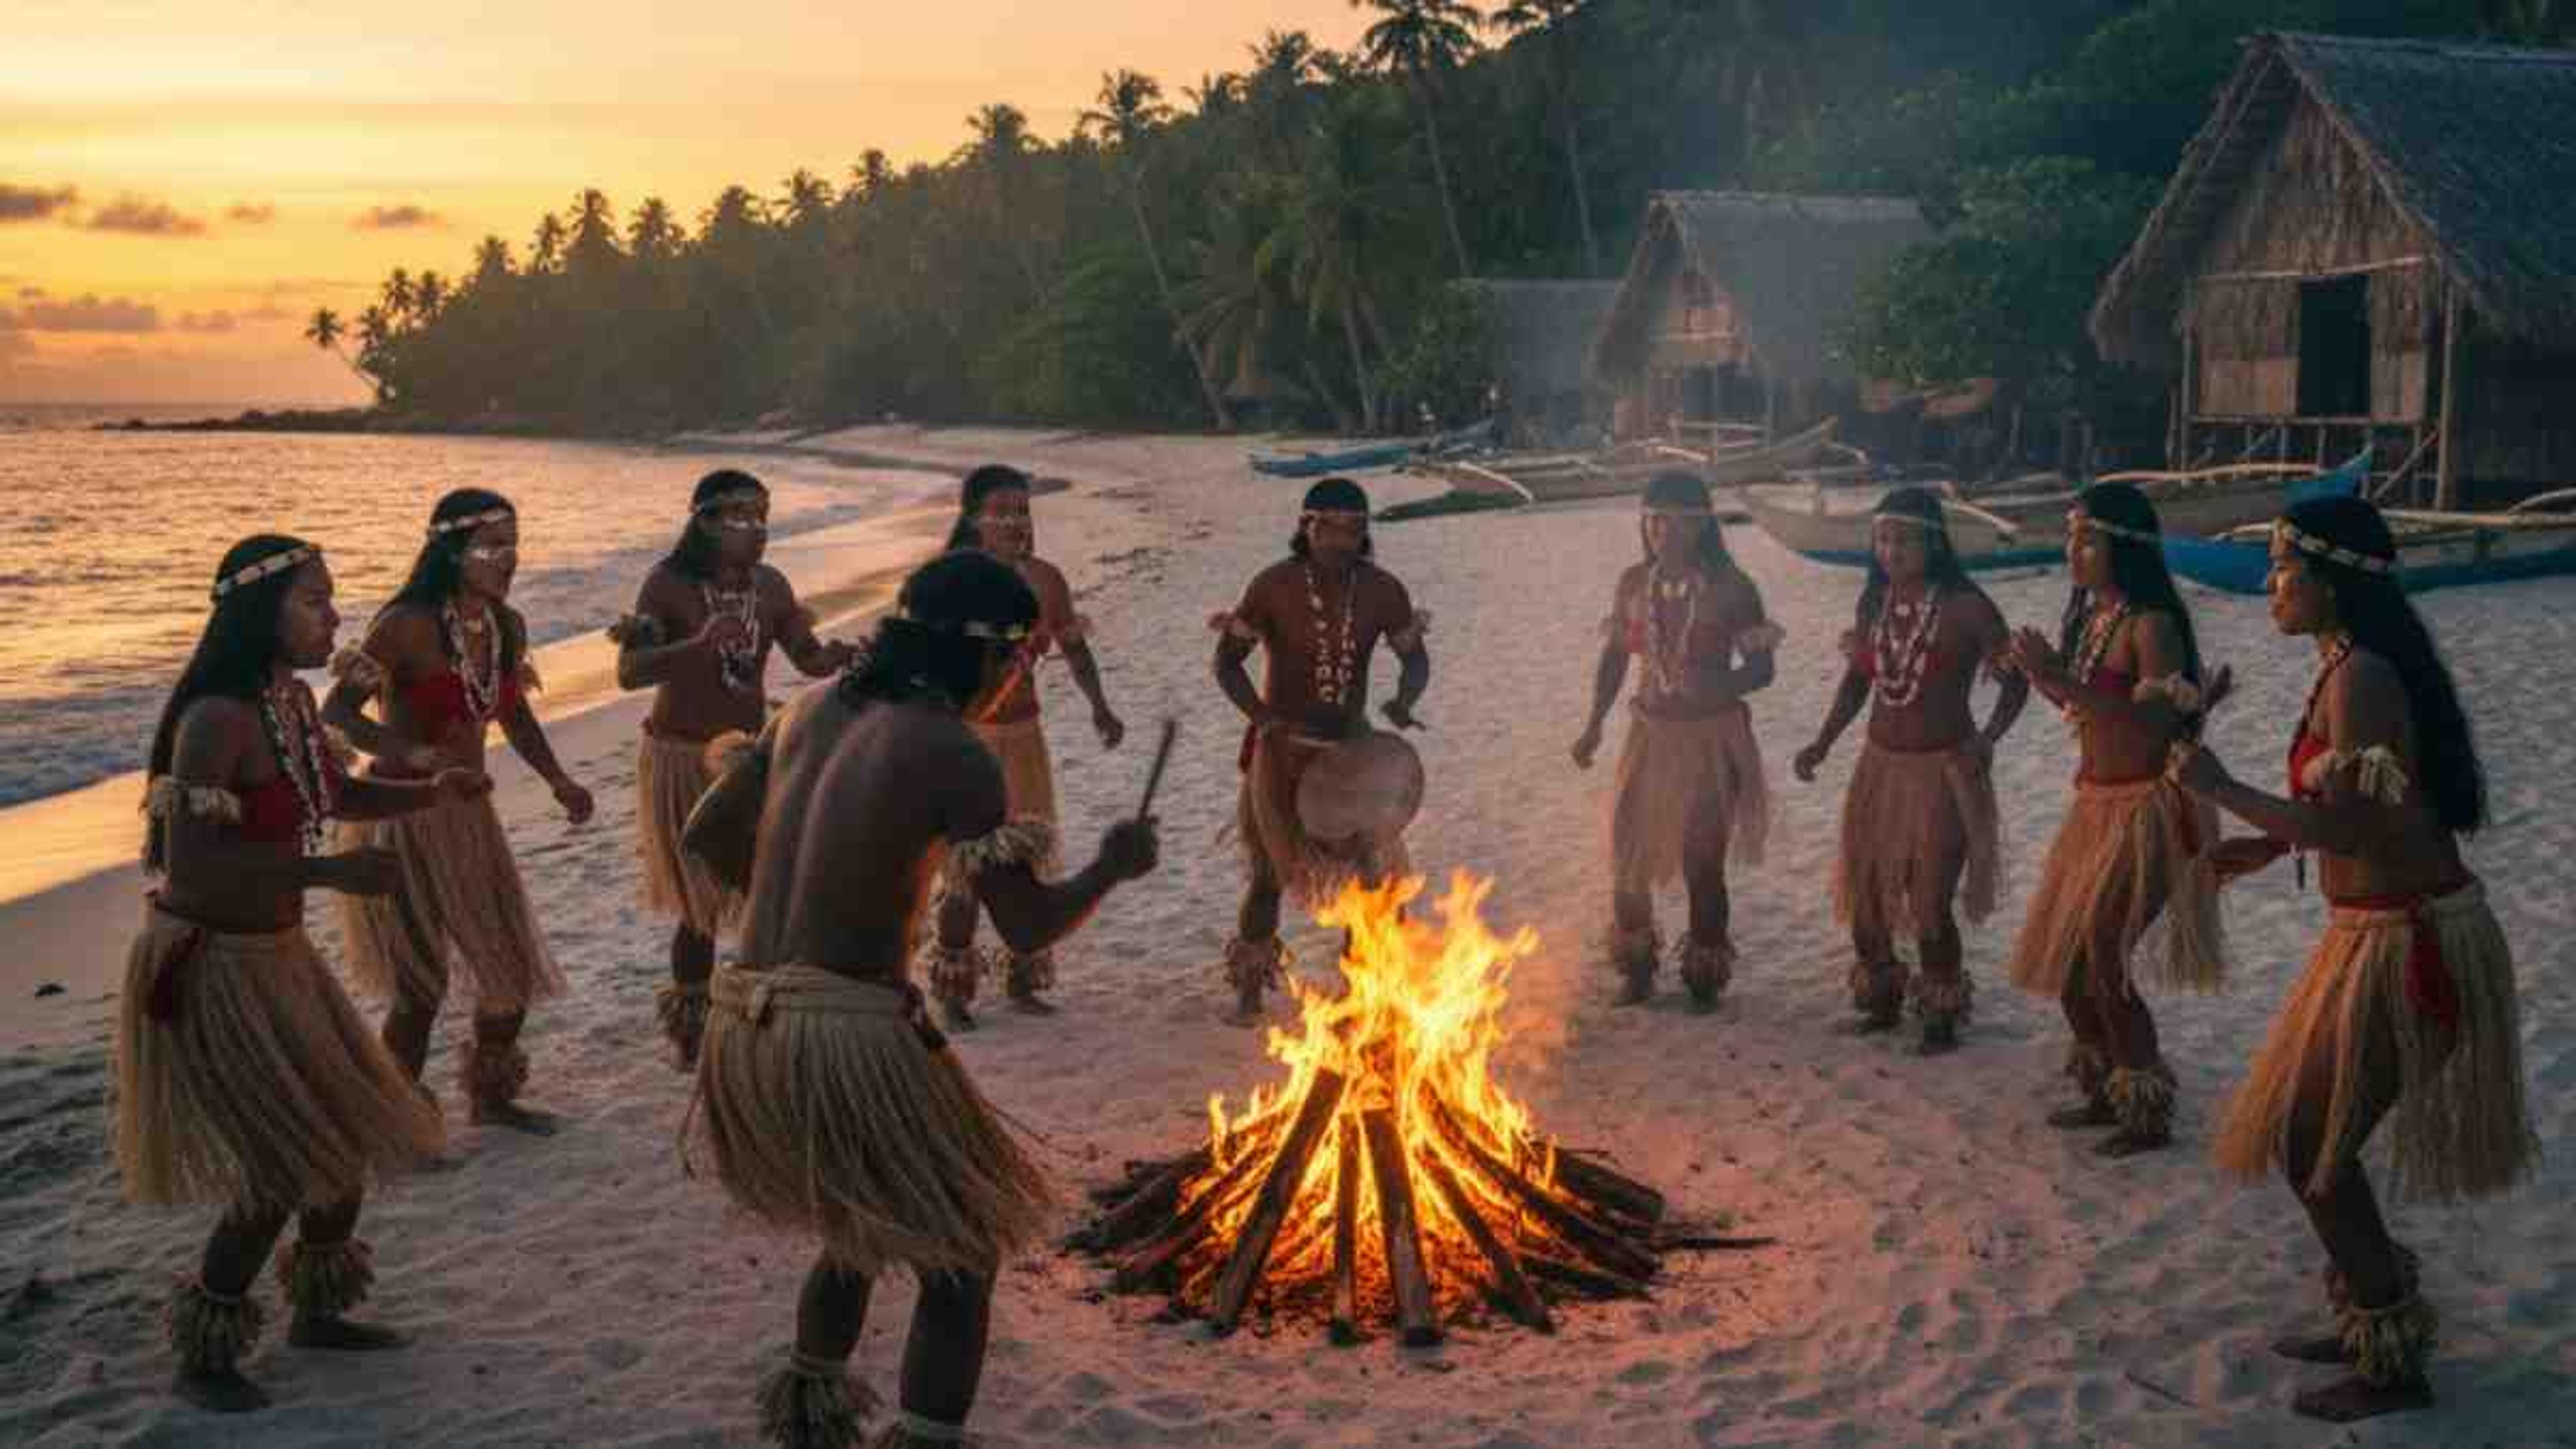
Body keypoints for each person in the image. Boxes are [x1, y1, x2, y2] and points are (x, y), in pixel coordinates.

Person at [679, 550, 1159, 1449]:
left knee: (857, 1224)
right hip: (842, 1034)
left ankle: (814, 1408)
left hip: (745, 1017)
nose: (1015, 682)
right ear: (986, 653)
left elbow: (705, 832)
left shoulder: (809, 706)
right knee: (962, 1253)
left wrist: (802, 917)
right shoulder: (953, 750)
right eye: (1021, 664)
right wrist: (1111, 868)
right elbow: (1025, 929)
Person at [2167, 496, 2535, 1422]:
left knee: (2313, 1144)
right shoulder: (2345, 665)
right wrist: (2275, 846)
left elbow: (2357, 820)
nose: (2271, 584)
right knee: (2316, 1139)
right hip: (2378, 927)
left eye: (2285, 567)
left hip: (2411, 942)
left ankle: (2390, 1349)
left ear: (2331, 580)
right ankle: (2369, 1303)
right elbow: (2374, 818)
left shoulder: (2361, 675)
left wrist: (2228, 792)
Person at [120, 535, 480, 1411]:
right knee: (282, 1162)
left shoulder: (286, 701)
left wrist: (431, 794)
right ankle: (206, 1353)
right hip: (214, 967)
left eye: (332, 598)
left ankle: (318, 1313)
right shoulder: (215, 721)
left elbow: (335, 800)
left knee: (350, 1125)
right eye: (315, 601)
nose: (335, 617)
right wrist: (332, 874)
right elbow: (197, 873)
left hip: (278, 953)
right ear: (259, 611)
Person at [323, 488, 594, 1134]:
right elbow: (337, 716)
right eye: (490, 547)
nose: (507, 559)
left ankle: (491, 1097)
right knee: (422, 987)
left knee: (507, 966)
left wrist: (559, 779)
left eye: (513, 545)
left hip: (470, 815)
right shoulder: (405, 625)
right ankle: (398, 1120)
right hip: (405, 813)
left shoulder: (504, 624)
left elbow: (513, 712)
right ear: (450, 551)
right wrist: (419, 759)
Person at [2000, 482, 2227, 1156]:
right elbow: (2086, 712)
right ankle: (2107, 1087)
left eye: (2088, 537)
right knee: (2072, 959)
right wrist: (2039, 675)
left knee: (2104, 952)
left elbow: (2157, 720)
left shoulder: (2150, 623)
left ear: (2125, 547)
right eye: (2071, 534)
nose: (2074, 549)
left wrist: (2059, 678)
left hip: (2150, 807)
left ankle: (2147, 1111)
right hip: (2094, 802)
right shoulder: (2097, 618)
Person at [611, 469, 852, 1067]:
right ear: (705, 523)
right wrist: (696, 645)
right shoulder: (666, 585)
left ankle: (766, 1004)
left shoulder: (770, 586)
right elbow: (630, 672)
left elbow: (809, 658)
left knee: (767, 884)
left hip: (748, 754)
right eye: (741, 519)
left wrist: (841, 659)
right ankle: (692, 1034)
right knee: (700, 908)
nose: (758, 531)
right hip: (681, 756)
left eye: (763, 517)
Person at [1793, 488, 2028, 1051]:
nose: (1892, 550)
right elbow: (1859, 681)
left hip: (1943, 770)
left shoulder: (1967, 606)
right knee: (1869, 892)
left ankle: (1941, 1013)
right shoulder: (1873, 604)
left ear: (1934, 542)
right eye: (1883, 538)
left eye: (1905, 538)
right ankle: (1882, 1001)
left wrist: (1989, 739)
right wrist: (1823, 741)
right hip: (1880, 765)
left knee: (1929, 899)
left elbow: (2016, 679)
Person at [1210, 476, 1430, 1023]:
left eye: (1354, 528)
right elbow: (1226, 662)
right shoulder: (1272, 586)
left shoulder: (1383, 591)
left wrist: (1404, 698)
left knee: (1373, 870)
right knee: (1267, 875)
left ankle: (1366, 988)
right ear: (1306, 527)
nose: (1341, 538)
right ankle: (1249, 991)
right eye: (1329, 525)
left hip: (1350, 753)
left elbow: (1415, 658)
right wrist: (1262, 718)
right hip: (1281, 754)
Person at [920, 464, 1126, 1030]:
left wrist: (1100, 707)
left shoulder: (1046, 580)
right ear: (972, 519)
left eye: (1022, 511)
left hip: (1025, 736)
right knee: (965, 872)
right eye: (1002, 511)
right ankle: (954, 990)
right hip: (966, 743)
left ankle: (1023, 978)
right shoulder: (947, 581)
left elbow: (1075, 651)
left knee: (1026, 861)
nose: (1015, 521)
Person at [1570, 471, 1781, 1010]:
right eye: (1654, 520)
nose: (1664, 530)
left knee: (1702, 863)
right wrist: (1594, 724)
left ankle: (1704, 979)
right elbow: (1616, 656)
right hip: (1649, 737)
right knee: (1628, 858)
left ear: (1702, 524)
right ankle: (1637, 970)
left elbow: (1762, 670)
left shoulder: (1733, 588)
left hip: (1712, 740)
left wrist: (1720, 684)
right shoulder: (1632, 584)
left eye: (1677, 520)